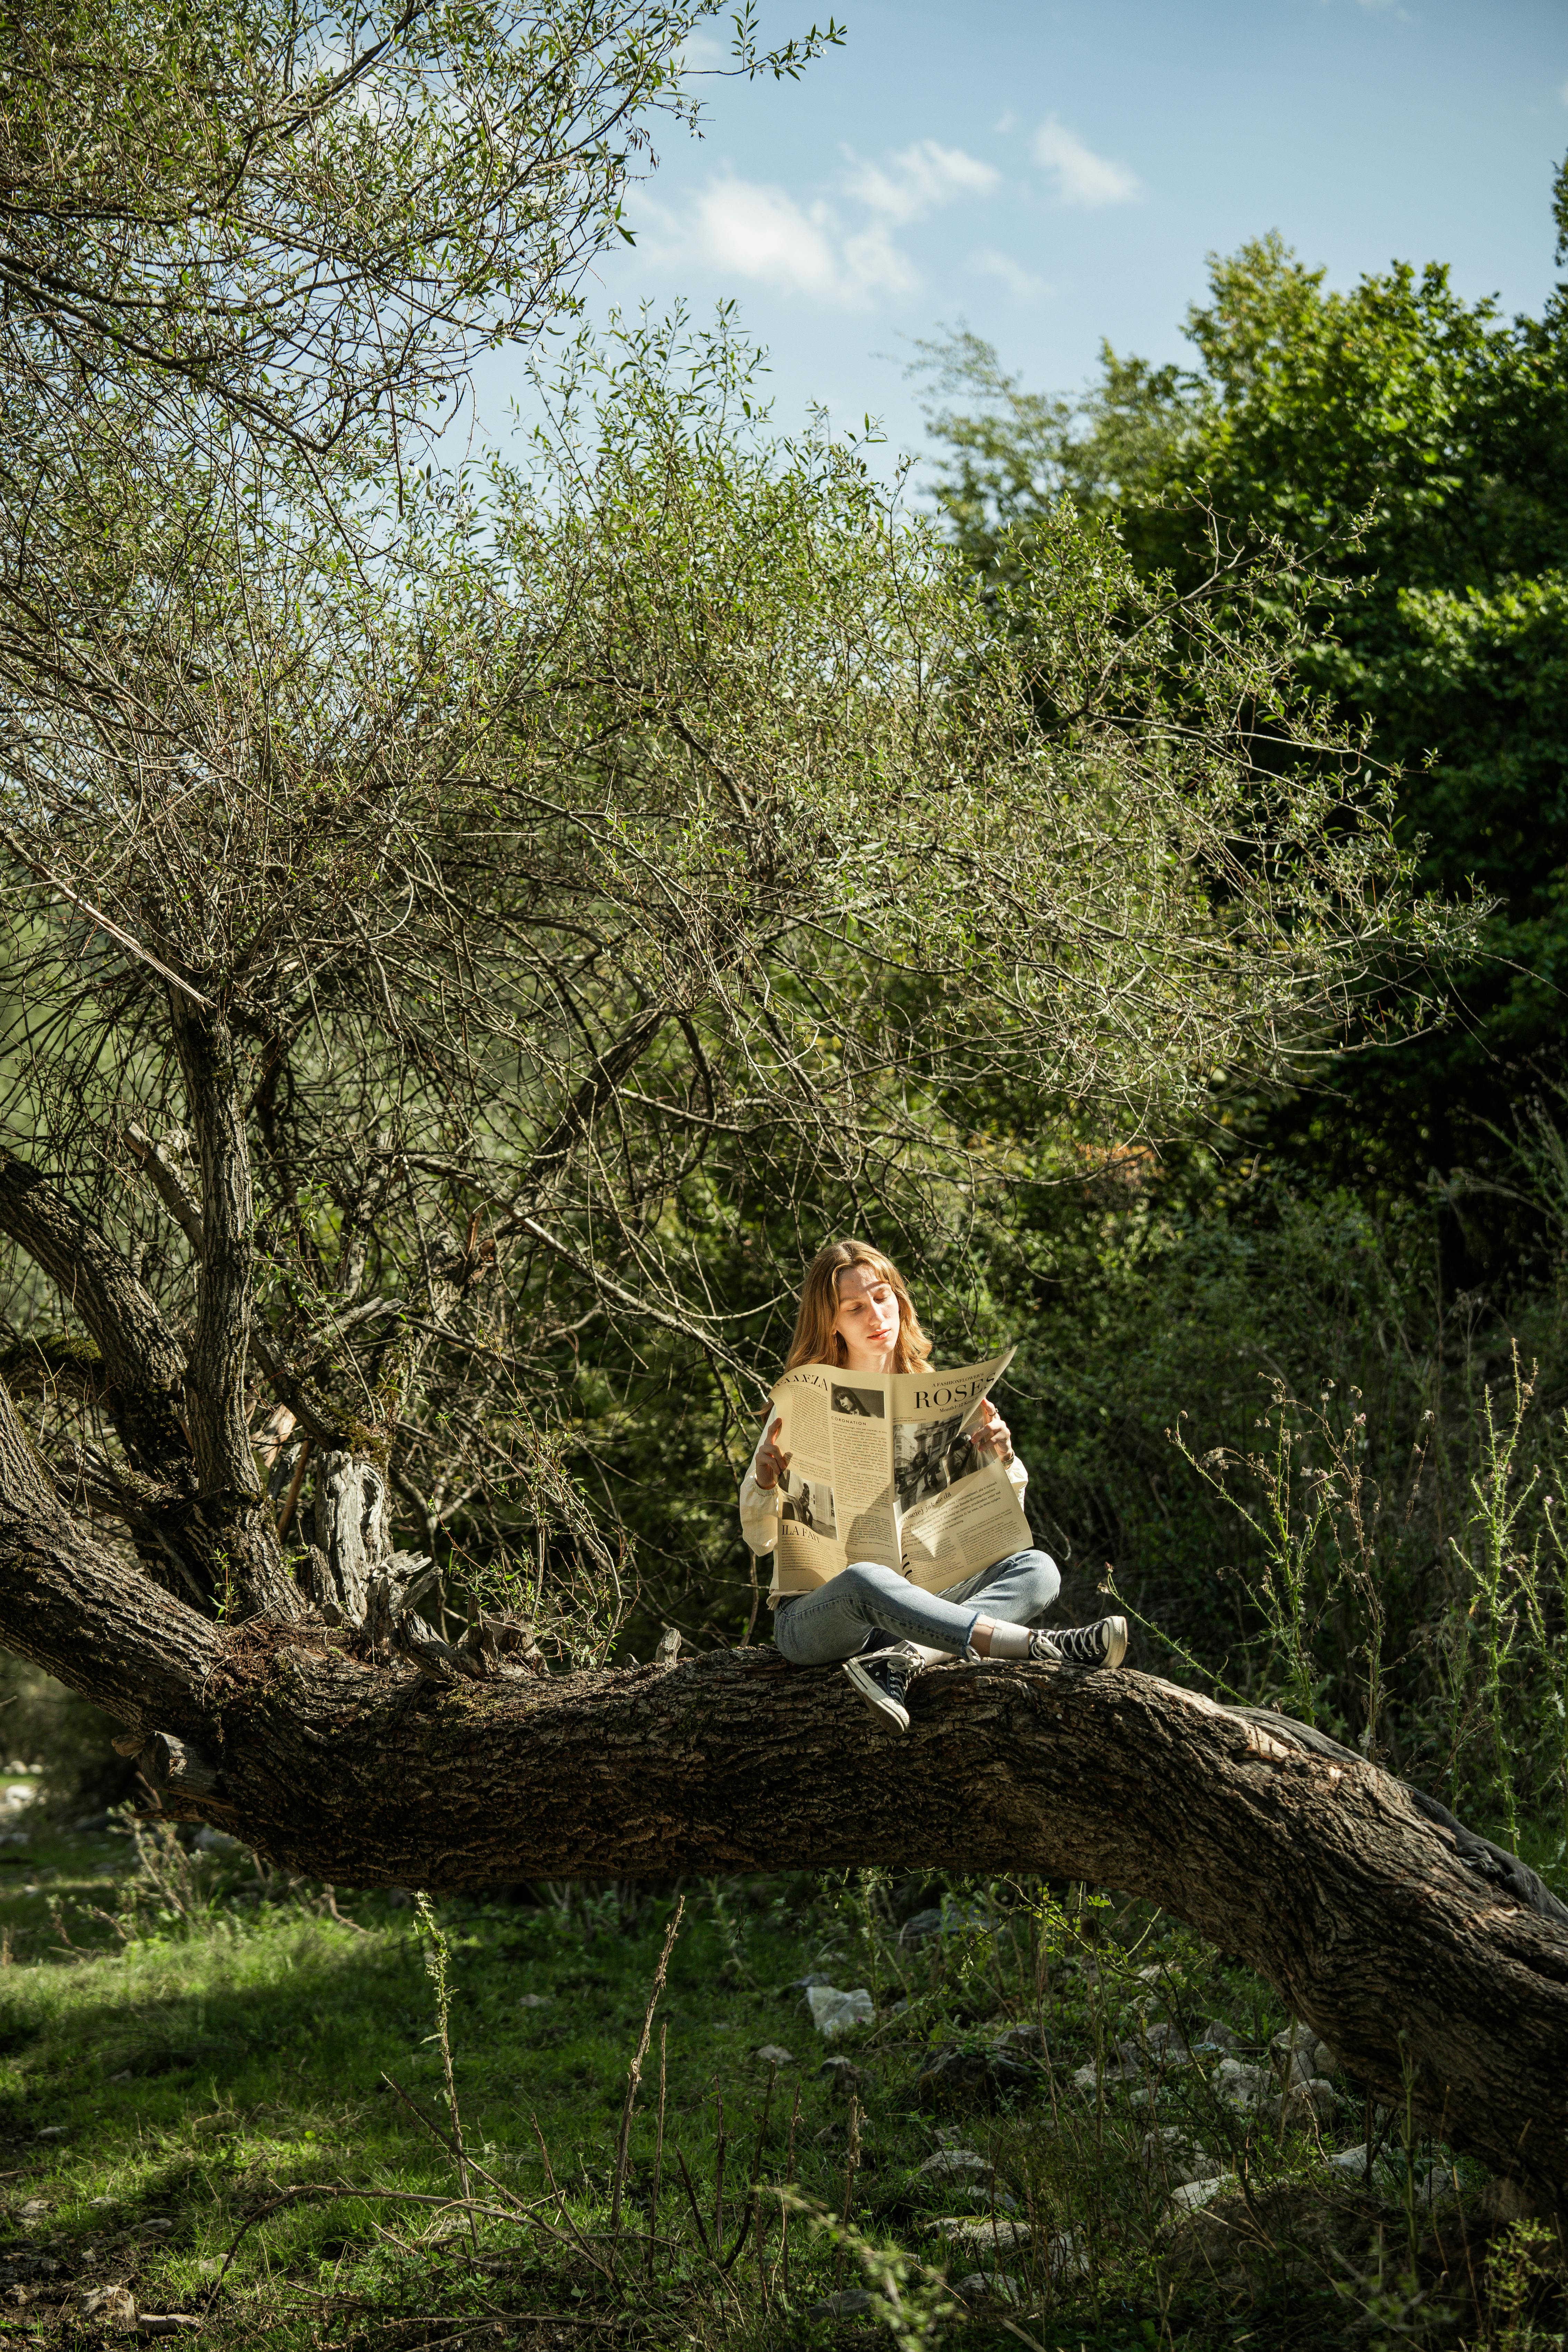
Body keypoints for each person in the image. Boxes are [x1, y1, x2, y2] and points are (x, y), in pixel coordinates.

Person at [739, 1239, 1129, 1732]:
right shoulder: (805, 1403)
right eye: (855, 1308)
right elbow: (760, 1540)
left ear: (899, 1300)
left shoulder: (933, 1397)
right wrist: (765, 1481)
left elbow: (999, 1522)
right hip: (822, 1619)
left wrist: (1000, 1458)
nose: (876, 1315)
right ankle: (1036, 1646)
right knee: (865, 1578)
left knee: (1038, 1568)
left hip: (915, 1607)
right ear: (831, 1323)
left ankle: (904, 1660)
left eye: (883, 1298)